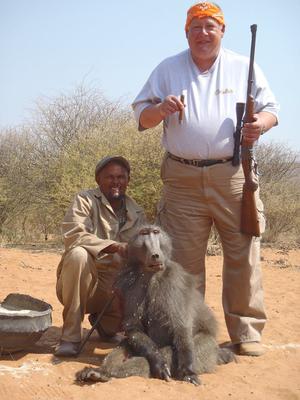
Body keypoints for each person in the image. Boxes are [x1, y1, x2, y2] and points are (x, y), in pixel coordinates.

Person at [132, 2, 279, 356]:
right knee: (182, 260)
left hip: (233, 175)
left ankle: (246, 331)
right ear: (186, 32)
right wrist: (160, 109)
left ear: (222, 31)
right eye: (195, 27)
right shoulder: (167, 69)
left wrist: (259, 125)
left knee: (243, 252)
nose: (203, 33)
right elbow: (142, 116)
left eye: (210, 26)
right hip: (181, 179)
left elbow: (271, 111)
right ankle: (192, 332)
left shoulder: (244, 66)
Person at [55, 156, 146, 357]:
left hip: (114, 287)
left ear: (128, 180)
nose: (116, 182)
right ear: (98, 180)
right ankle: (70, 336)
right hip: (84, 281)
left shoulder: (137, 212)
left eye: (121, 177)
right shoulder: (84, 199)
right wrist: (115, 247)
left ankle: (107, 323)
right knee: (78, 255)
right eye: (110, 177)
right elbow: (74, 234)